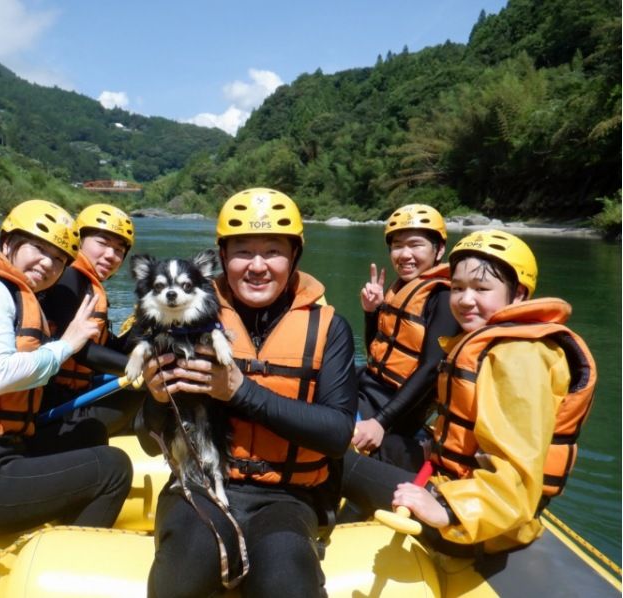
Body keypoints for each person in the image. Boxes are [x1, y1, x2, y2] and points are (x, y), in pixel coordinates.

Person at [136, 188, 358, 597]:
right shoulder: (181, 318)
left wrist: (241, 392)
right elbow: (149, 444)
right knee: (186, 564)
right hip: (200, 487)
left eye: (273, 251)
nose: (257, 266)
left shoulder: (330, 328)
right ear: (223, 258)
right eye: (242, 252)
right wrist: (156, 398)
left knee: (286, 574)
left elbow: (337, 434)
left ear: (294, 257)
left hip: (287, 497)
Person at [340, 229, 596, 556]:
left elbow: (515, 472)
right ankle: (351, 529)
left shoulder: (518, 358)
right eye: (458, 288)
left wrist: (446, 509)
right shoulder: (494, 341)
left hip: (480, 520)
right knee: (350, 441)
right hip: (455, 478)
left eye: (481, 288)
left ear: (517, 294)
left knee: (337, 461)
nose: (465, 299)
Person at [0, 199, 133, 538]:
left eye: (59, 258)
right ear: (8, 243)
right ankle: (65, 571)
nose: (47, 263)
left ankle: (59, 519)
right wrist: (67, 344)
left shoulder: (12, 293)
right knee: (113, 468)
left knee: (89, 434)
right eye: (39, 248)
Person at [351, 203, 461, 472]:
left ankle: (415, 452)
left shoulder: (443, 298)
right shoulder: (402, 286)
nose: (405, 254)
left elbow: (430, 369)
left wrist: (380, 422)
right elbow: (376, 351)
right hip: (370, 386)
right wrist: (371, 312)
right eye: (397, 246)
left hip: (396, 405)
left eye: (415, 245)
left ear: (439, 250)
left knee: (326, 430)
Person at [39, 202, 142, 437]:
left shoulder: (86, 285)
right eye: (103, 243)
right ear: (78, 239)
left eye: (119, 249)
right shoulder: (68, 278)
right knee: (147, 389)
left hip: (73, 395)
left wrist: (144, 326)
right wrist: (139, 368)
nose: (111, 255)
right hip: (56, 407)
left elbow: (108, 348)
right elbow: (80, 351)